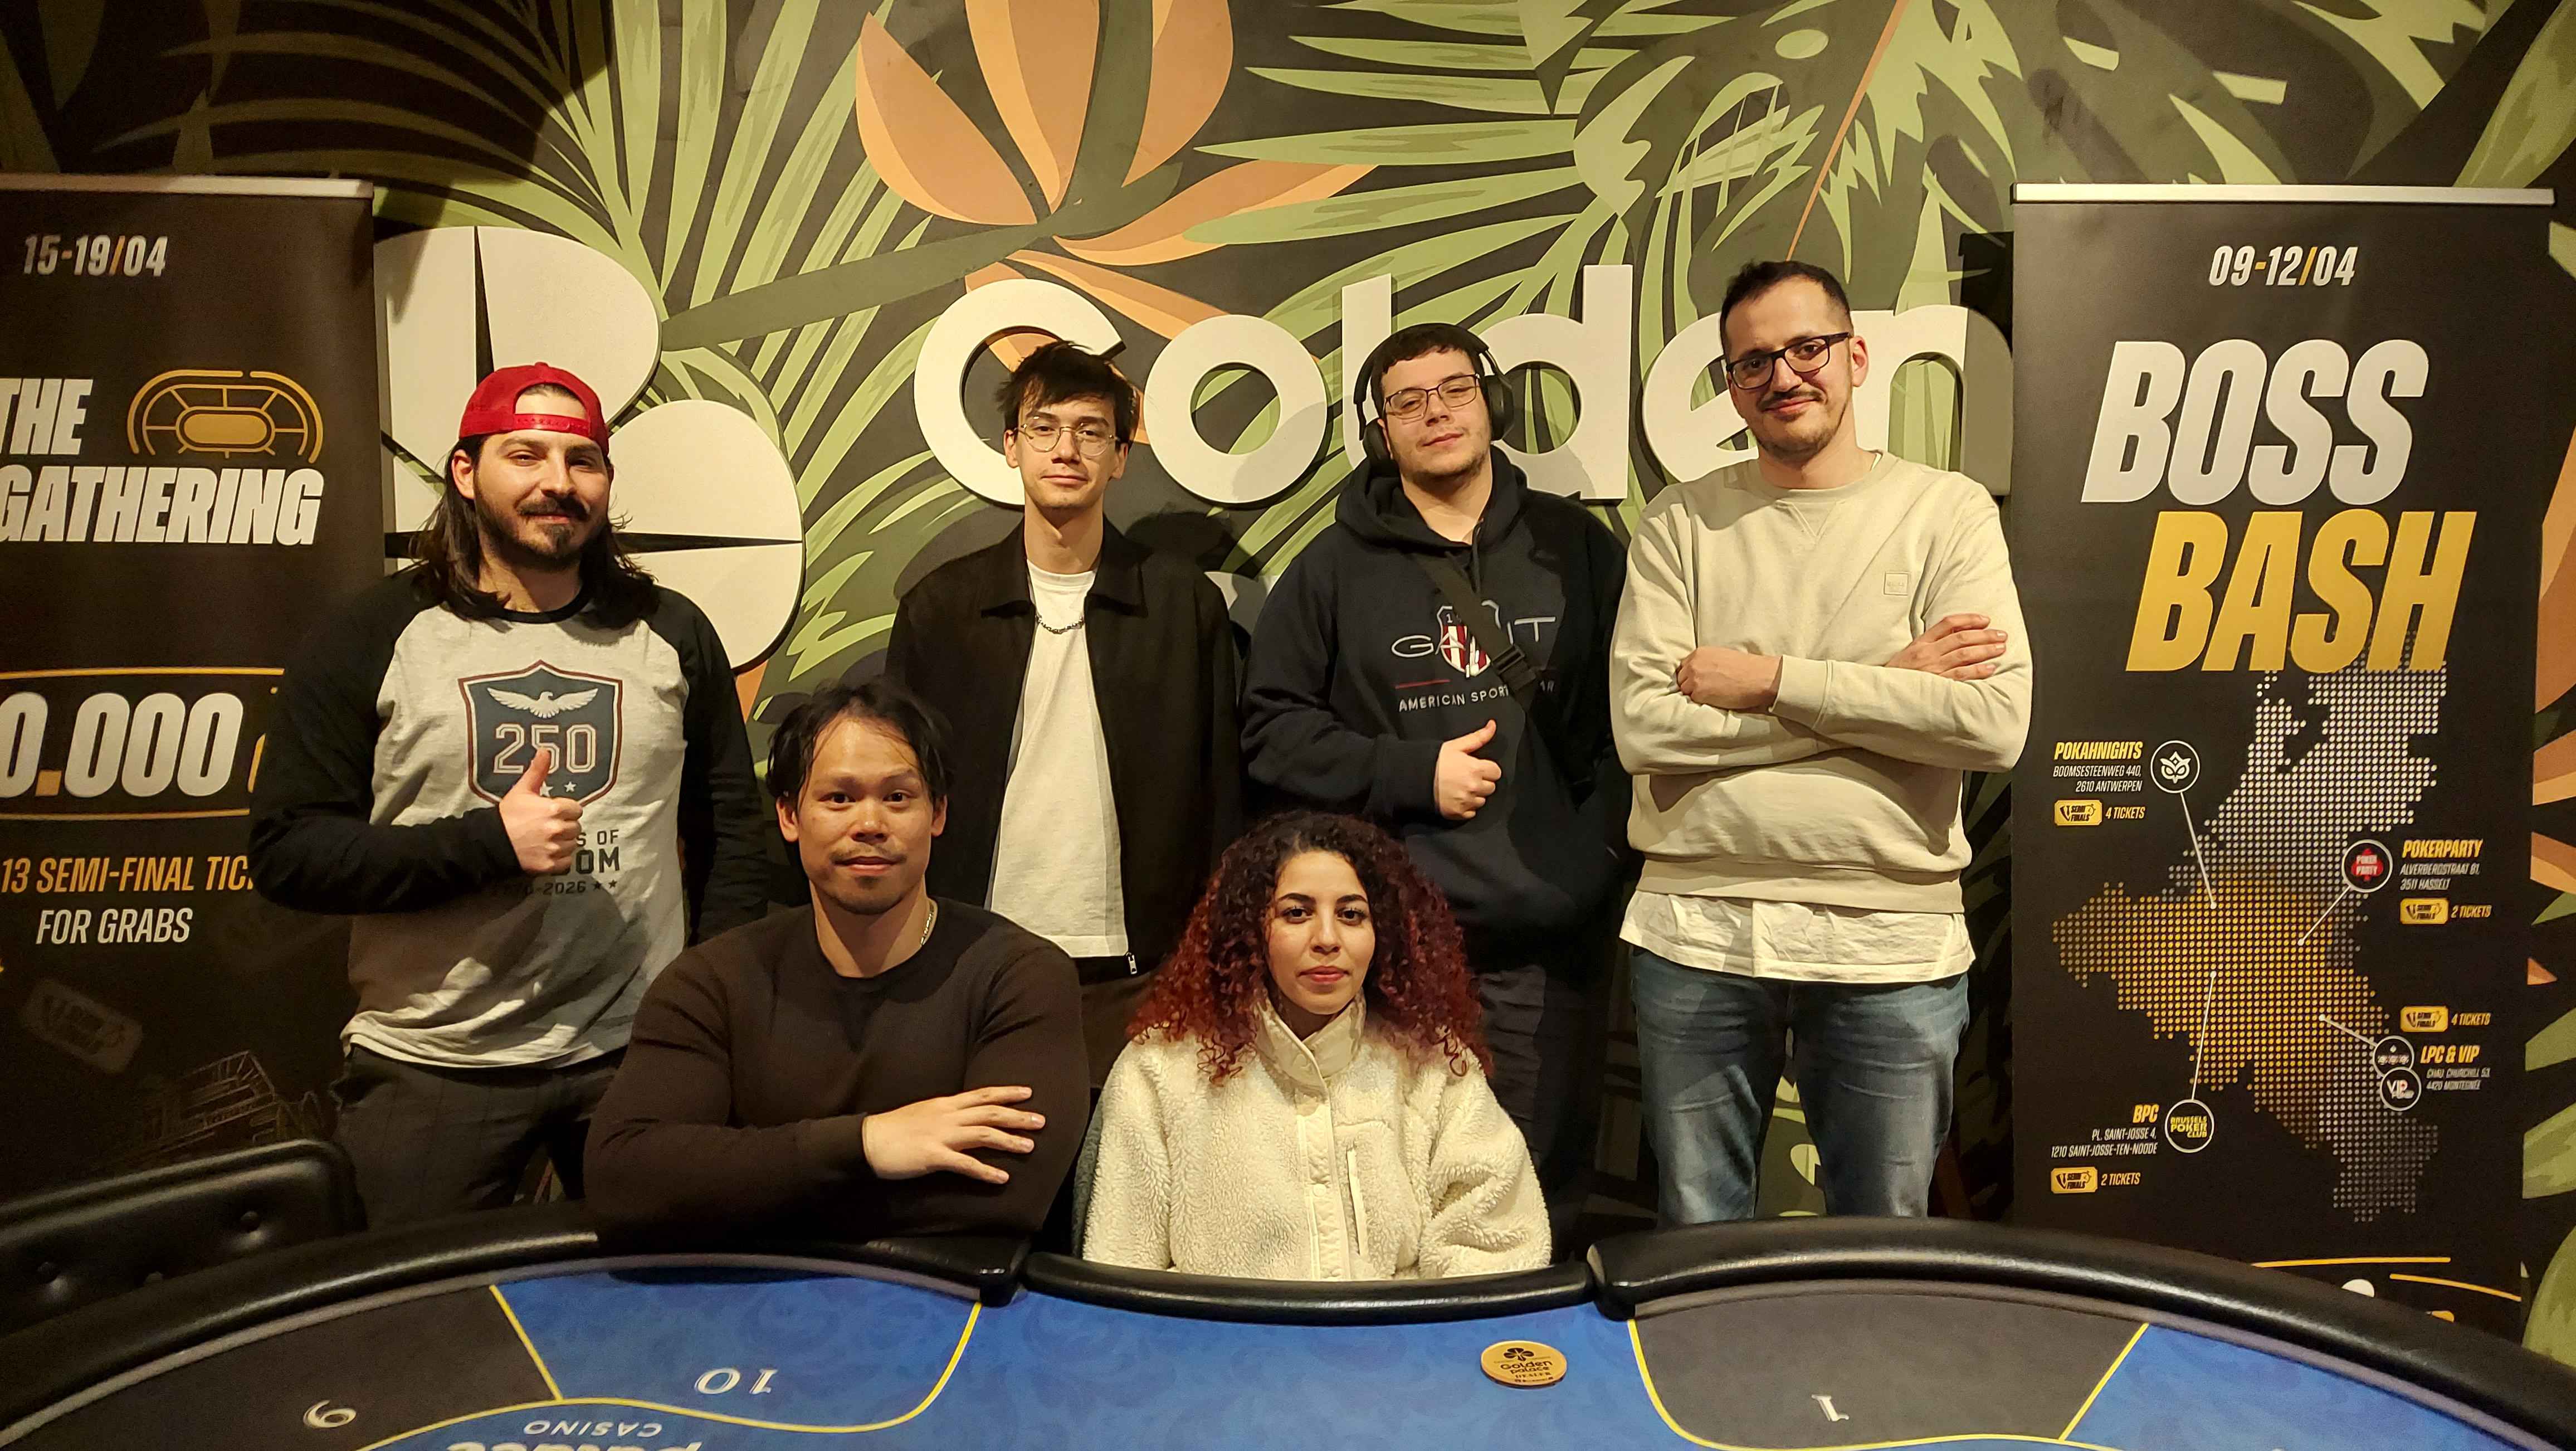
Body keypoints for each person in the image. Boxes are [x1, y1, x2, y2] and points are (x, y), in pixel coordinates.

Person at [249, 363, 770, 1226]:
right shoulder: (373, 633)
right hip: (434, 1063)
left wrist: (703, 1013)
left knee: (673, 1296)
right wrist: (489, 845)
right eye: (525, 455)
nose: (558, 482)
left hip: (634, 1056)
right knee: (412, 1307)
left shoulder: (670, 630)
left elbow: (732, 832)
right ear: (466, 472)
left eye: (582, 460)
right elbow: (289, 853)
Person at [1609, 259, 2031, 1223]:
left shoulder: (1945, 511)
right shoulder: (1680, 522)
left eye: (1807, 348)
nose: (1783, 375)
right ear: (1730, 385)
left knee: (1879, 1237)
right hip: (1697, 925)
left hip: (1890, 936)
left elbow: (1991, 722)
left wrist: (1769, 682)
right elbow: (1646, 727)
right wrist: (1888, 685)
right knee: (1697, 1236)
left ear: (1856, 356)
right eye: (1753, 361)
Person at [1241, 321, 1627, 1248]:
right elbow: (1270, 730)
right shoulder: (1331, 571)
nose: (1436, 413)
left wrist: (1595, 860)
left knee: (1534, 1204)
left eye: (1454, 389)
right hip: (1395, 955)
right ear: (1381, 432)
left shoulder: (1575, 546)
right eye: (1407, 401)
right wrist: (1411, 772)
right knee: (1391, 1199)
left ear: (1492, 402)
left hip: (1548, 948)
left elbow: (1637, 718)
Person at [583, 679, 1089, 1240]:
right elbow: (624, 1179)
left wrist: (747, 1189)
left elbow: (1005, 1192)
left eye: (898, 797)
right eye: (839, 798)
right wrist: (867, 1143)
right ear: (789, 816)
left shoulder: (1018, 976)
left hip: (945, 1293)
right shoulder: (711, 981)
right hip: (754, 1290)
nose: (869, 824)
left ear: (938, 814)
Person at [886, 340, 1242, 1085]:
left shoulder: (1182, 604)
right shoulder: (940, 610)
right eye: (1044, 428)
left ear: (1120, 457)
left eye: (1091, 431)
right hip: (975, 959)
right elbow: (902, 792)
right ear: (1011, 446)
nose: (1066, 450)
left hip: (1141, 970)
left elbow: (1222, 793)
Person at [1082, 811, 1545, 1278]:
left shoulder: (1434, 1063)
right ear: (1250, 931)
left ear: (1382, 931)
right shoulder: (1160, 1068)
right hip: (1210, 1328)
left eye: (1351, 915)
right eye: (1297, 913)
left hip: (1401, 1327)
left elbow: (1501, 1247)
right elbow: (1121, 1267)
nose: (1327, 939)